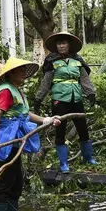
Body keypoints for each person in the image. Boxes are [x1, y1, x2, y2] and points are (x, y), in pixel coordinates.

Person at [0, 58, 61, 211]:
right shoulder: (6, 91)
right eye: (20, 70)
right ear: (11, 73)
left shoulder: (17, 91)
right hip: (7, 138)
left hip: (17, 137)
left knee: (17, 180)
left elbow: (24, 114)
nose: (23, 73)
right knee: (5, 180)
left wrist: (45, 120)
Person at [33, 32, 97, 173]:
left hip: (76, 99)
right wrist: (39, 98)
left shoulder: (77, 61)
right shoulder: (52, 61)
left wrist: (91, 93)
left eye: (64, 43)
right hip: (59, 100)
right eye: (59, 43)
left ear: (69, 45)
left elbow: (84, 79)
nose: (61, 46)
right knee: (60, 131)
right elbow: (46, 82)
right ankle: (63, 163)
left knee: (83, 129)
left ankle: (88, 158)